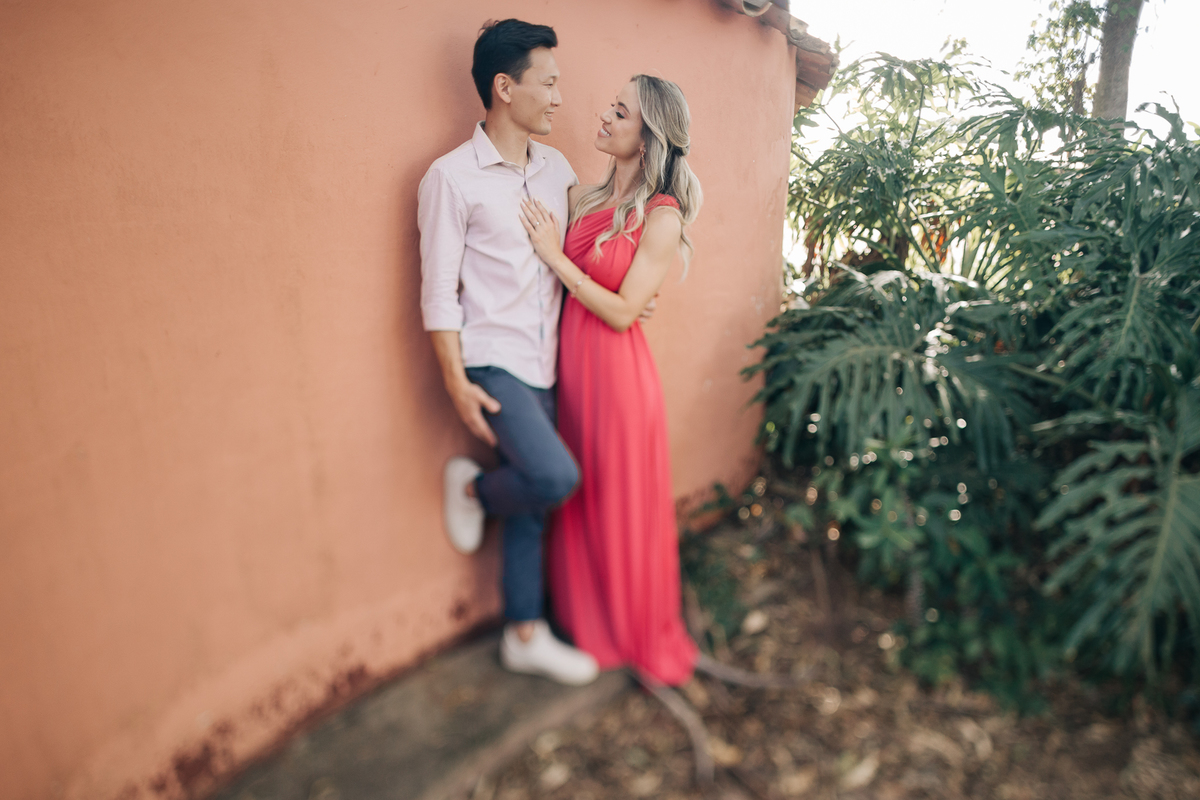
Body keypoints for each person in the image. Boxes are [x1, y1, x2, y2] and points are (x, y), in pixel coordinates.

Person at [417, 19, 598, 686]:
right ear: (504, 87)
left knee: (537, 504)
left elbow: (591, 243)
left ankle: (524, 632)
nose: (558, 98)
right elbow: (438, 289)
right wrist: (454, 381)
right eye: (547, 83)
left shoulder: (558, 170)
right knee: (554, 478)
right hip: (493, 360)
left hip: (550, 359)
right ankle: (473, 487)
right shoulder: (450, 178)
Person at [519, 74, 703, 686]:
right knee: (581, 498)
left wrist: (556, 258)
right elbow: (606, 291)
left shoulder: (662, 216)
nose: (603, 114)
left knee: (617, 505)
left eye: (620, 112)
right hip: (572, 372)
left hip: (619, 381)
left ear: (647, 139)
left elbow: (623, 312)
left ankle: (627, 631)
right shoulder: (583, 198)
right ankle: (586, 622)